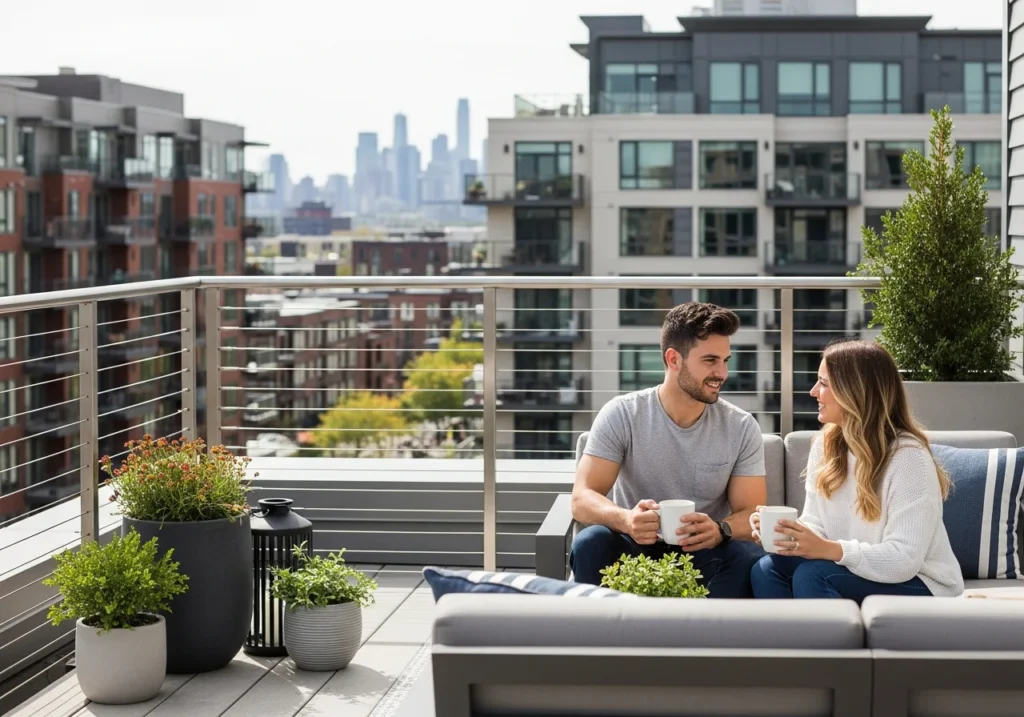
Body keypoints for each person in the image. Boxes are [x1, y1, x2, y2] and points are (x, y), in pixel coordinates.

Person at [569, 302, 767, 598]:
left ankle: (703, 639)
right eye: (710, 360)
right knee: (590, 542)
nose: (722, 373)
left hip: (703, 555)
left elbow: (752, 511)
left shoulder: (740, 426)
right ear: (674, 359)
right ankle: (602, 639)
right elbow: (581, 498)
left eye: (726, 360)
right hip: (632, 549)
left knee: (748, 558)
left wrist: (719, 529)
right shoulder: (623, 414)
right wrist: (626, 520)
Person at [750, 339, 964, 602]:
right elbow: (816, 524)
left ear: (856, 392)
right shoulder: (825, 447)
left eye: (824, 383)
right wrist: (787, 536)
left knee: (813, 575)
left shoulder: (909, 458)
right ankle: (792, 642)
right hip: (855, 569)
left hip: (921, 581)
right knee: (767, 569)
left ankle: (828, 642)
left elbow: (904, 560)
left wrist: (831, 550)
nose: (814, 392)